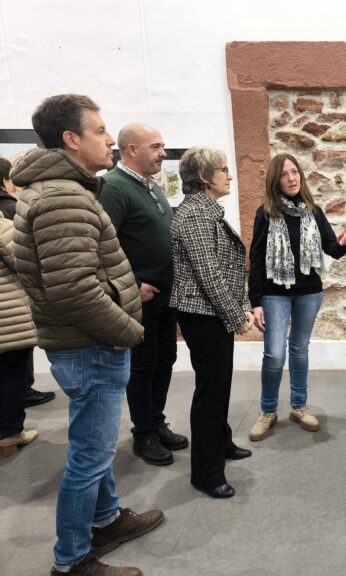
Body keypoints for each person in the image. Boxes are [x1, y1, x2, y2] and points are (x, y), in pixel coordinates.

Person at [11, 94, 164, 576]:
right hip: (90, 344)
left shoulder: (59, 190)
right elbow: (74, 290)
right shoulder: (63, 198)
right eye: (99, 131)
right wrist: (128, 329)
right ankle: (71, 559)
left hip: (82, 343)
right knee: (89, 455)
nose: (108, 139)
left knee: (92, 446)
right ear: (71, 140)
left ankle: (107, 518)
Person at [248, 153, 346, 442]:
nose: (292, 178)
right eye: (284, 174)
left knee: (299, 349)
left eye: (295, 172)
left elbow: (331, 247)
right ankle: (268, 410)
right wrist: (254, 302)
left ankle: (298, 406)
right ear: (275, 180)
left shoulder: (313, 212)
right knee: (275, 354)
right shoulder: (266, 213)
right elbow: (255, 259)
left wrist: (342, 244)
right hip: (273, 294)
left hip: (309, 292)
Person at [101, 124, 188, 467]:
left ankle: (156, 421)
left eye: (164, 146)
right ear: (131, 150)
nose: (163, 153)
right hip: (141, 296)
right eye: (156, 146)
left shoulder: (151, 187)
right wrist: (132, 282)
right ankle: (143, 434)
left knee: (165, 358)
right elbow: (103, 245)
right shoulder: (114, 188)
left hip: (166, 294)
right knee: (143, 365)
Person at [170, 146, 253, 499]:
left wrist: (243, 306)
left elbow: (230, 267)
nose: (229, 175)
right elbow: (208, 274)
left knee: (219, 384)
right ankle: (205, 473)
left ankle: (221, 443)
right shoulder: (193, 216)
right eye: (223, 170)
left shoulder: (206, 211)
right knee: (210, 390)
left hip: (214, 310)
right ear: (204, 178)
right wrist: (237, 318)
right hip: (202, 313)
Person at [0, 155, 55, 407]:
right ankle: (10, 429)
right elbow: (21, 258)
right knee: (13, 368)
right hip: (10, 304)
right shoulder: (9, 210)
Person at [0, 213, 39, 457]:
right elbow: (25, 264)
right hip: (8, 317)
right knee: (12, 375)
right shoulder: (3, 228)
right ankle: (9, 434)